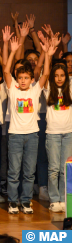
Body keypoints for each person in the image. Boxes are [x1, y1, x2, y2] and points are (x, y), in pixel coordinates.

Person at [3, 33, 53, 214]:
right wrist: (13, 51)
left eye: (26, 78)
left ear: (31, 79)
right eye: (20, 78)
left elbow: (46, 73)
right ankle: (13, 202)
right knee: (14, 171)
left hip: (32, 135)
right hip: (15, 136)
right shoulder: (13, 91)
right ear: (17, 79)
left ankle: (25, 201)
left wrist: (47, 54)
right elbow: (7, 71)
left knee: (29, 172)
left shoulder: (35, 89)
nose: (23, 80)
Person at [44, 63, 72, 212]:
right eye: (56, 75)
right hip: (53, 133)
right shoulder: (47, 89)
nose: (59, 78)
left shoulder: (70, 88)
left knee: (65, 169)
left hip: (69, 133)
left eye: (62, 75)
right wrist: (48, 54)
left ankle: (64, 198)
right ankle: (54, 199)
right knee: (53, 168)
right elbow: (44, 74)